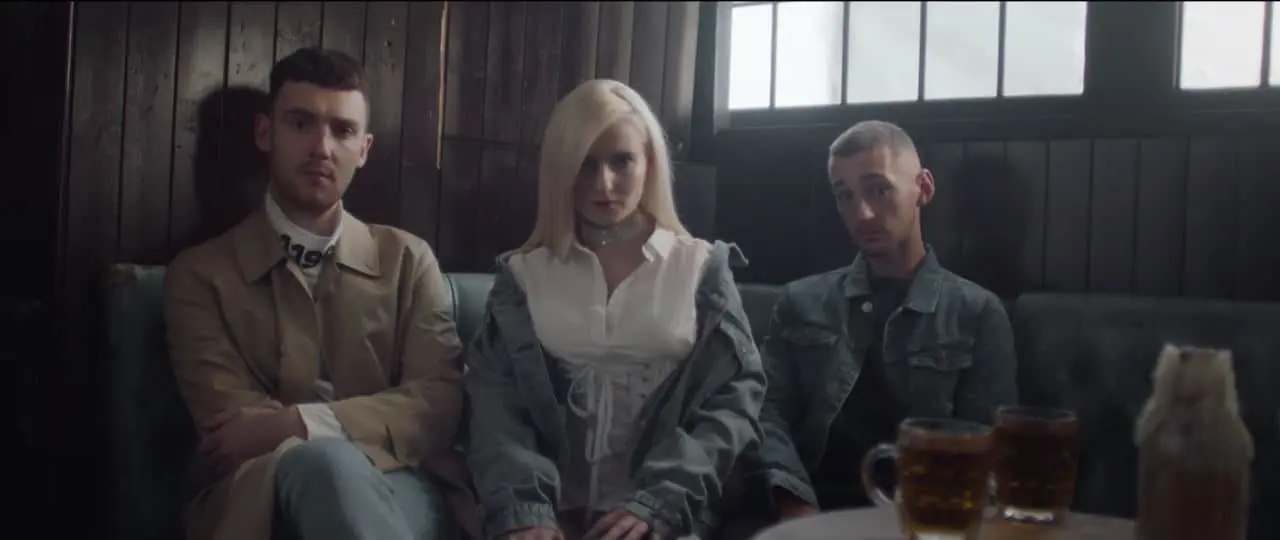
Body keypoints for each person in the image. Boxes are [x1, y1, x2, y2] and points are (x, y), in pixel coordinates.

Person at [164, 47, 476, 540]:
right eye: (300, 123)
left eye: (342, 130)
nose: (321, 147)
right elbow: (231, 427)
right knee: (324, 465)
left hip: (398, 487)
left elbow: (439, 401)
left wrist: (295, 422)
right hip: (258, 493)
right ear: (265, 133)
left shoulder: (407, 260)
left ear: (364, 149)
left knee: (334, 466)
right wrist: (355, 430)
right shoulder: (200, 275)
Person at [463, 79, 766, 540]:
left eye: (621, 161)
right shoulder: (523, 276)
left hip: (670, 513)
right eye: (584, 164)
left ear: (650, 163)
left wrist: (660, 502)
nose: (603, 184)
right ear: (560, 170)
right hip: (547, 511)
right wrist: (525, 511)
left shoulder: (701, 267)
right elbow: (495, 408)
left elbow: (735, 401)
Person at [740, 120, 1017, 528]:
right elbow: (766, 411)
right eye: (845, 196)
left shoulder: (977, 312)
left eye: (879, 190)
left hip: (926, 516)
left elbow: (985, 445)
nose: (862, 213)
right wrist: (795, 505)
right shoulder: (801, 302)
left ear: (923, 188)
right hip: (813, 509)